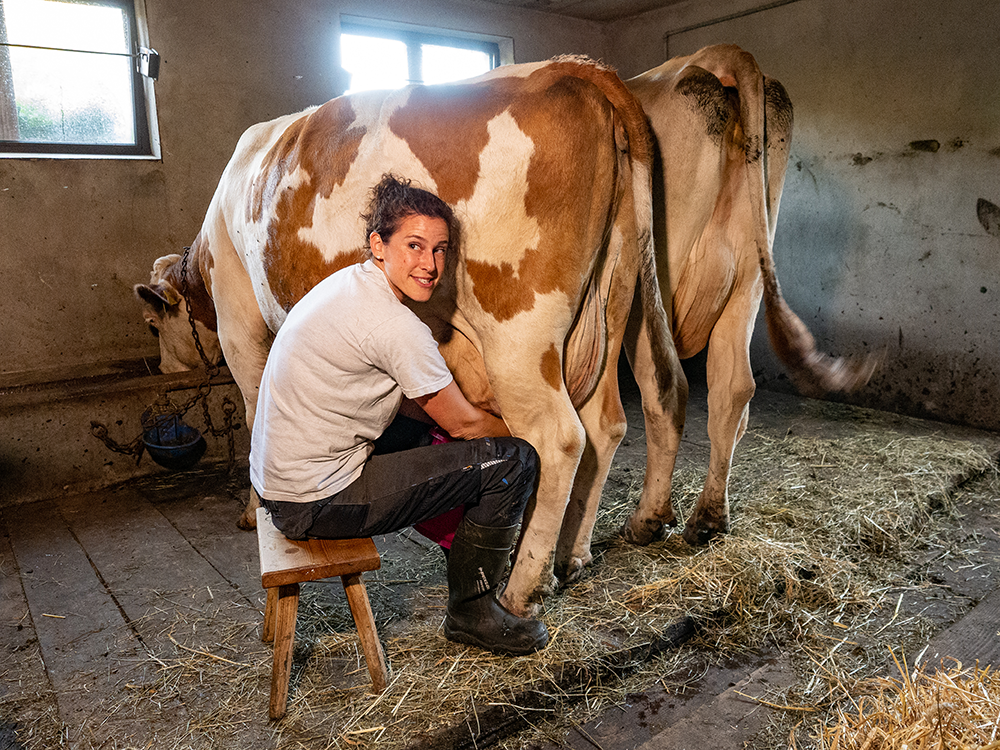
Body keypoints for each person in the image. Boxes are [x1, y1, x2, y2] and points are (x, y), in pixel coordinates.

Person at [249, 174, 549, 656]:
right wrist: (526, 432)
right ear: (378, 244)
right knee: (512, 462)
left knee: (425, 430)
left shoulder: (352, 284)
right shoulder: (395, 325)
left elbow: (414, 403)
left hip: (279, 481)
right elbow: (464, 425)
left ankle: (461, 536)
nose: (429, 265)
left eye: (440, 249)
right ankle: (471, 613)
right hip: (314, 501)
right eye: (414, 245)